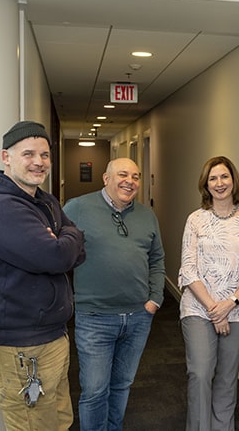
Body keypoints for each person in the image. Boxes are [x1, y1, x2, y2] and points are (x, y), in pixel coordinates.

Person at [0, 120, 86, 431]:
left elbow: (76, 246)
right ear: (6, 157)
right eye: (28, 154)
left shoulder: (43, 201)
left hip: (50, 335)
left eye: (45, 155)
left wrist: (64, 237)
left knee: (59, 420)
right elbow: (59, 256)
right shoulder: (1, 209)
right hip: (22, 346)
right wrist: (63, 242)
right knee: (35, 426)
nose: (39, 162)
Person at [63, 157, 166, 431]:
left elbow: (157, 260)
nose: (129, 181)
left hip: (138, 317)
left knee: (122, 385)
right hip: (94, 317)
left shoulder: (147, 216)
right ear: (106, 178)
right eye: (122, 175)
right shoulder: (77, 208)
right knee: (95, 391)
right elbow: (56, 252)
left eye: (135, 176)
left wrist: (155, 299)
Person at [178, 156, 239, 431]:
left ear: (233, 180)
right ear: (205, 184)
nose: (219, 183)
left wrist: (230, 304)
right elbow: (188, 269)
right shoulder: (196, 220)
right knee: (200, 373)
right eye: (213, 178)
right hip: (199, 307)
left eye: (224, 177)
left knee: (227, 378)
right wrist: (215, 309)